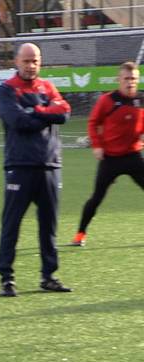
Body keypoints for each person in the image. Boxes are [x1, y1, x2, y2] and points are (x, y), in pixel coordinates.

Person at [0, 42, 73, 297]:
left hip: (50, 165)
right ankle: (7, 278)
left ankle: (49, 276)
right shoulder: (7, 89)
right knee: (12, 224)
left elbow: (64, 113)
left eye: (35, 61)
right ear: (16, 62)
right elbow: (18, 121)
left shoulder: (47, 87)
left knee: (48, 225)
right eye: (27, 61)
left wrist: (37, 110)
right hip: (20, 165)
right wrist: (46, 113)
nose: (31, 65)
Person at [71, 61, 144, 247]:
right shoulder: (107, 100)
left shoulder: (140, 101)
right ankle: (80, 234)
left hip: (133, 157)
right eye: (126, 79)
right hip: (110, 159)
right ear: (118, 80)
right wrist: (97, 145)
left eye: (133, 79)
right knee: (96, 198)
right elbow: (93, 123)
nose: (130, 83)